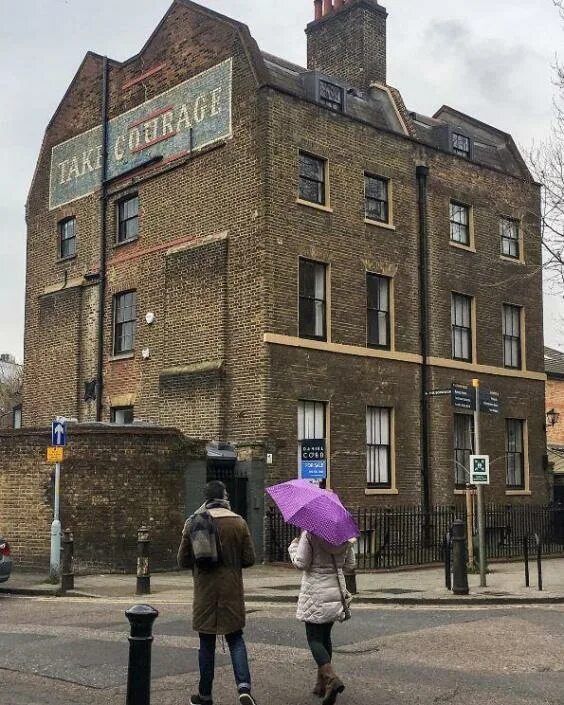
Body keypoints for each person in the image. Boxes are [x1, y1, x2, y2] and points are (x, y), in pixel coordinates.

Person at [177, 480, 258, 705]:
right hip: (231, 590)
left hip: (205, 593)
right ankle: (244, 688)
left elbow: (182, 560)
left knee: (206, 644)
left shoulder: (194, 521)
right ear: (224, 496)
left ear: (205, 498)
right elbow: (249, 559)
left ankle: (205, 695)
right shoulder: (239, 523)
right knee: (235, 639)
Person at [289, 529, 356, 705]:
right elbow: (350, 565)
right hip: (335, 592)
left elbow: (301, 563)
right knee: (325, 636)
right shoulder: (343, 535)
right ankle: (322, 685)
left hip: (316, 592)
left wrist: (293, 547)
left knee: (314, 639)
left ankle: (331, 679)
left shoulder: (310, 534)